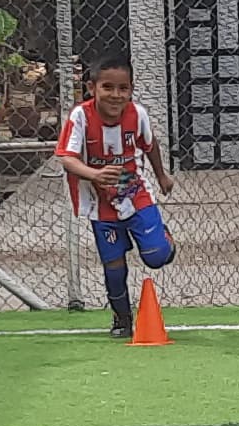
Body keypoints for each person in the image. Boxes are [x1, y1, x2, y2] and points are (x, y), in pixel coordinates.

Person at [58, 55, 175, 338]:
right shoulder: (80, 117)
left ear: (131, 89)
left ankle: (164, 240)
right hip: (101, 206)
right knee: (113, 266)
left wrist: (161, 175)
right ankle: (122, 318)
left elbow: (150, 145)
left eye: (123, 88)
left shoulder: (138, 115)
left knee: (156, 256)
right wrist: (94, 174)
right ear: (92, 88)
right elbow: (66, 157)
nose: (115, 95)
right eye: (107, 87)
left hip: (136, 194)